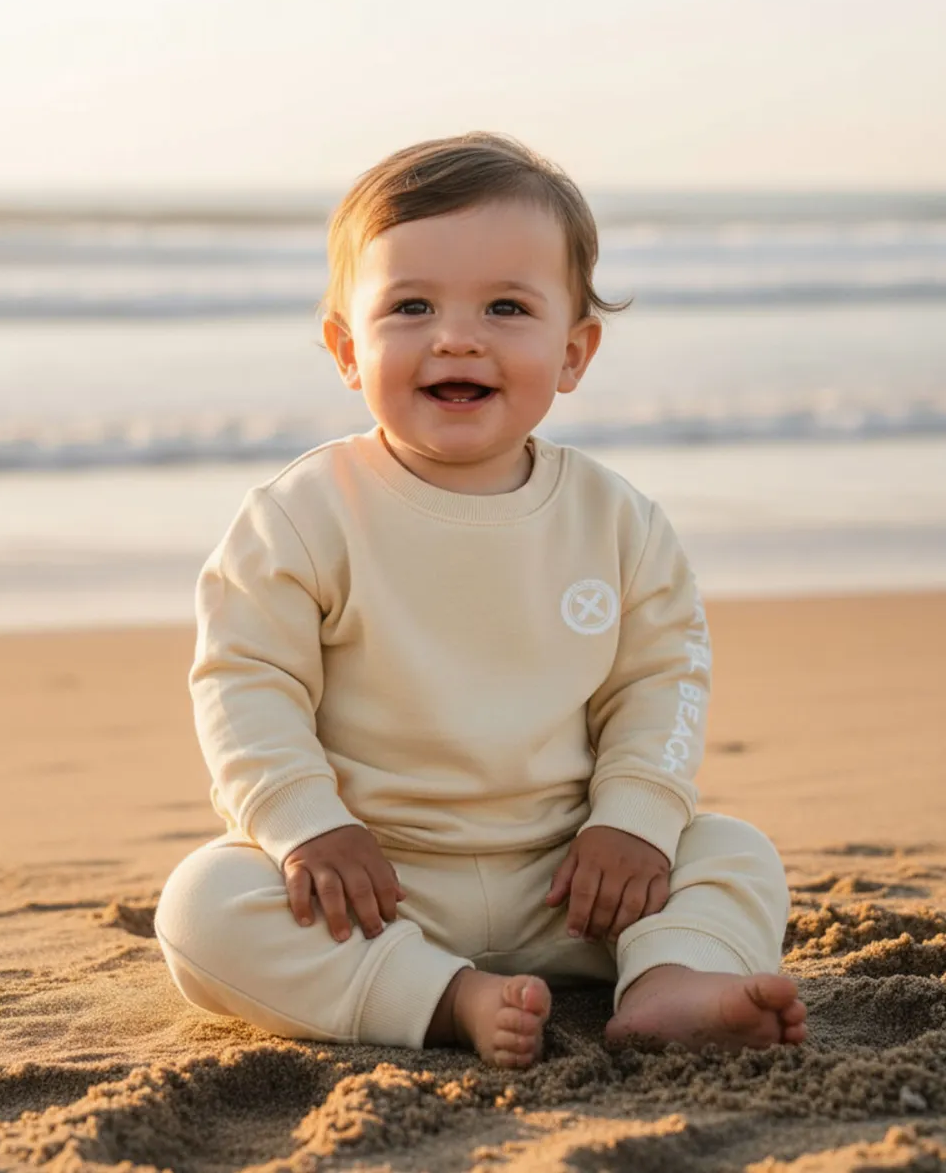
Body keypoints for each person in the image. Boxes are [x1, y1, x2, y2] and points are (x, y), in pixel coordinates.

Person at [154, 132, 806, 1068]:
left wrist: (634, 821)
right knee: (202, 910)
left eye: (507, 306)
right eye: (410, 305)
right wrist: (309, 824)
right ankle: (445, 996)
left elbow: (663, 681)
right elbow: (242, 681)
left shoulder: (617, 521)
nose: (456, 336)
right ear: (347, 347)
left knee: (734, 852)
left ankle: (667, 981)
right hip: (375, 886)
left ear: (573, 351)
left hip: (575, 882)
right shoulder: (302, 516)